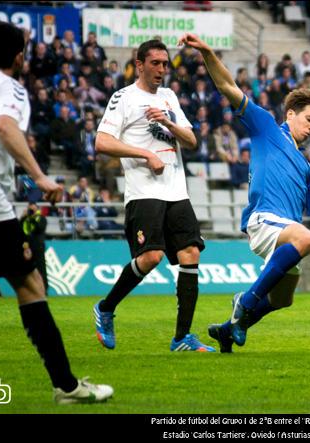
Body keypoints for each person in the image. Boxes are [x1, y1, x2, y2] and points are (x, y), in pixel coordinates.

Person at [178, 33, 310, 353]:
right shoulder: (266, 127)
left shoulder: (309, 170)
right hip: (264, 220)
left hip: (283, 234)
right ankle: (245, 301)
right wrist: (209, 54)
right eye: (309, 119)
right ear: (290, 114)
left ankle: (230, 329)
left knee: (284, 298)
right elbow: (228, 87)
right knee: (306, 239)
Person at [0, 21, 113, 404]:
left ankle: (66, 385)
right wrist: (40, 177)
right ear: (19, 55)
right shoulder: (9, 89)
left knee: (27, 280)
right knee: (30, 284)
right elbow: (5, 127)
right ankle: (67, 387)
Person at [93, 40, 213, 352]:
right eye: (156, 63)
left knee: (191, 255)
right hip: (144, 192)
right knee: (151, 257)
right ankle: (106, 308)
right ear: (140, 63)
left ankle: (181, 338)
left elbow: (191, 141)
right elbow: (102, 142)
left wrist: (168, 122)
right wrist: (145, 154)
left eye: (165, 64)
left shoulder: (169, 97)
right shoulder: (124, 97)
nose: (162, 69)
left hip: (176, 191)